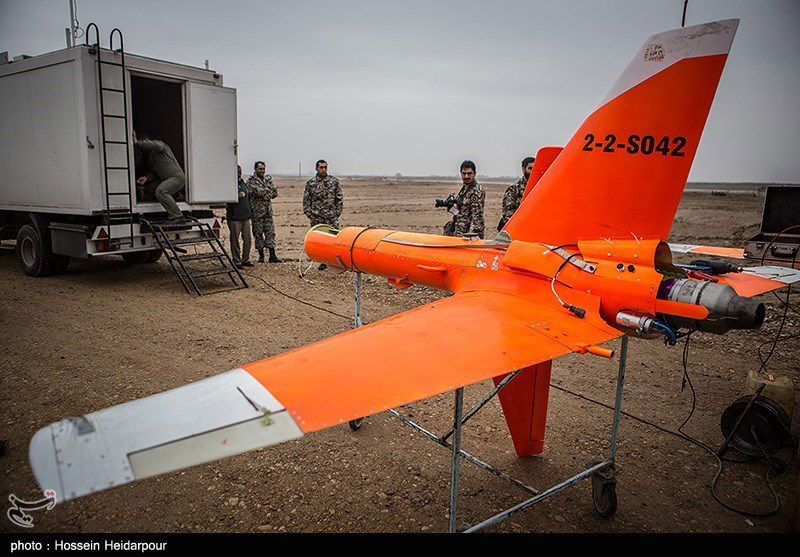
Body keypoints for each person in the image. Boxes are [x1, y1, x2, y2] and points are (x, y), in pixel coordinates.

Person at [133, 130, 186, 222]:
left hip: (176, 178)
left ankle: (177, 216)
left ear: (148, 140)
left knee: (161, 191)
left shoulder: (160, 146)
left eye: (144, 141)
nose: (143, 146)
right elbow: (156, 173)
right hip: (166, 178)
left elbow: (156, 145)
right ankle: (174, 195)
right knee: (150, 188)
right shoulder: (151, 157)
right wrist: (146, 178)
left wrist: (137, 142)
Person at [303, 159, 343, 270]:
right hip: (317, 217)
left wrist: (337, 213)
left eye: (325, 167)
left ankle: (334, 262)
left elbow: (339, 198)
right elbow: (306, 200)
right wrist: (309, 214)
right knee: (320, 241)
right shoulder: (311, 183)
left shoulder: (333, 181)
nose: (323, 169)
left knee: (334, 239)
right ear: (316, 168)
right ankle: (323, 261)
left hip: (331, 217)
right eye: (321, 167)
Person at [246, 161, 280, 263]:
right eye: (260, 169)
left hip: (267, 213)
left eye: (263, 169)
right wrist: (267, 192)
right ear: (255, 169)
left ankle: (272, 256)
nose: (262, 171)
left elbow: (275, 193)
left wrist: (265, 193)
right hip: (257, 213)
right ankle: (261, 256)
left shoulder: (267, 179)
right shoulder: (251, 181)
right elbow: (257, 192)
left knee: (270, 233)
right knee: (258, 234)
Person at [444, 160, 485, 238]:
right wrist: (451, 208)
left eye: (469, 174)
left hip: (467, 236)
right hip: (458, 232)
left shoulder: (476, 191)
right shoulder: (464, 190)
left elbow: (477, 218)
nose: (466, 176)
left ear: (475, 174)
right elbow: (460, 213)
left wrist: (470, 238)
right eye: (464, 173)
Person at [497, 156, 535, 231]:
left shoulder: (538, 188)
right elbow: (508, 214)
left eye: (534, 168)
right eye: (530, 168)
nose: (532, 171)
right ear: (523, 169)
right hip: (516, 229)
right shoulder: (514, 189)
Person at [226, 165, 253, 268]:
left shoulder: (243, 183)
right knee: (235, 240)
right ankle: (236, 260)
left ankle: (245, 259)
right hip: (234, 217)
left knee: (248, 239)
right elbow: (226, 198)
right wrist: (236, 196)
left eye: (240, 172)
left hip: (245, 216)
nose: (240, 174)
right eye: (238, 172)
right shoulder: (229, 184)